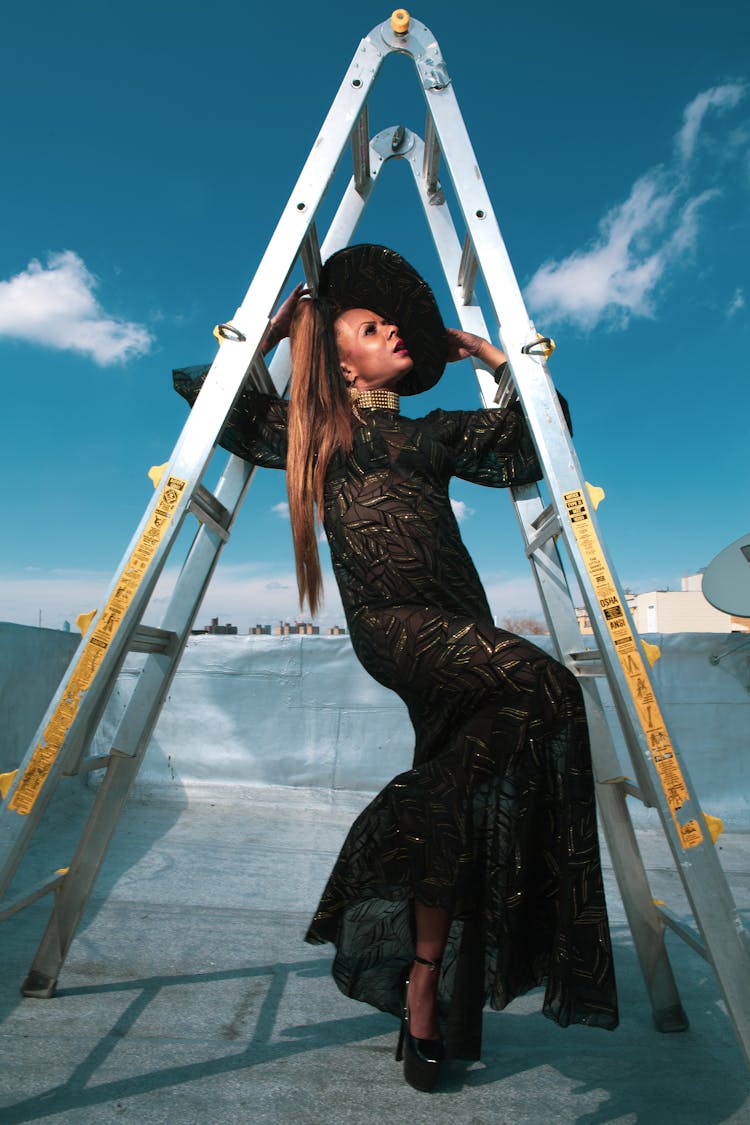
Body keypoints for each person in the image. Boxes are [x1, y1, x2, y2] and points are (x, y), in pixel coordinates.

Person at [174, 244, 618, 1093]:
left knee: (454, 799)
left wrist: (494, 359)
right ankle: (388, 825)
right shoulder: (314, 430)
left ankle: (425, 988)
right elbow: (209, 399)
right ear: (339, 356)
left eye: (393, 325)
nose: (393, 333)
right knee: (553, 689)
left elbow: (534, 444)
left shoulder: (432, 432)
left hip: (463, 624)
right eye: (371, 326)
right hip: (396, 628)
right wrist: (272, 338)